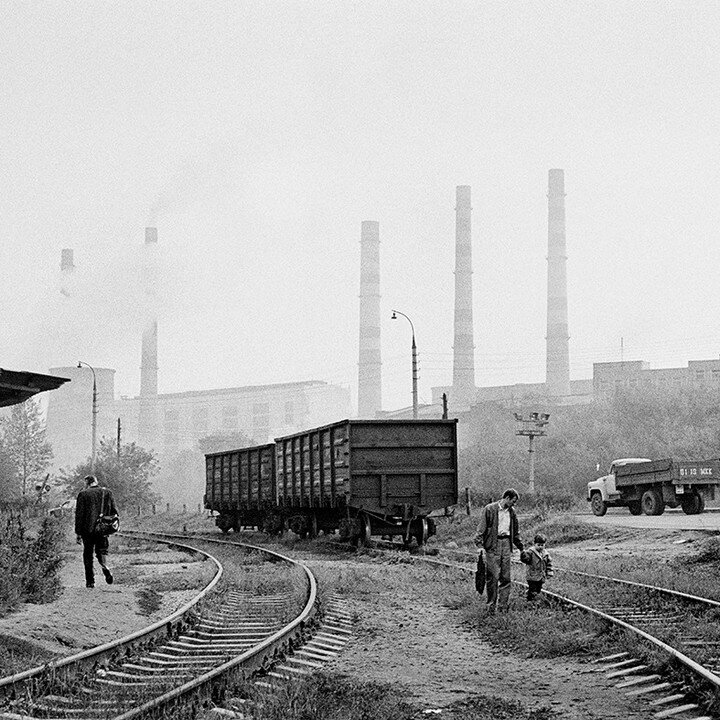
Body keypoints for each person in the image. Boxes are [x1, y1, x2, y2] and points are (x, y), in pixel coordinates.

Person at [473, 488, 524, 611]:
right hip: (492, 544)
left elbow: (515, 531)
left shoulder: (512, 512)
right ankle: (491, 606)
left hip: (506, 543)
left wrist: (521, 547)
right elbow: (481, 528)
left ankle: (503, 606)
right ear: (506, 498)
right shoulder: (489, 509)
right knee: (493, 576)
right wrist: (479, 546)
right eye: (513, 501)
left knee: (506, 577)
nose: (514, 504)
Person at [75, 475, 117, 588]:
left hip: (87, 530)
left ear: (87, 483)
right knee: (101, 551)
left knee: (88, 554)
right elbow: (114, 512)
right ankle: (105, 567)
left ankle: (90, 581)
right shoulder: (107, 493)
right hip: (102, 529)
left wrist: (78, 533)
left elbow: (79, 515)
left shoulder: (83, 494)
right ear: (96, 482)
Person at [520, 533, 554, 601]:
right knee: (533, 589)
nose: (540, 547)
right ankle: (530, 600)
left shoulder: (546, 554)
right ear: (534, 544)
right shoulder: (531, 552)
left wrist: (549, 572)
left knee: (538, 588)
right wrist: (523, 556)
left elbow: (549, 564)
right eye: (538, 545)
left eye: (542, 545)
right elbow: (527, 559)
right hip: (532, 576)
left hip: (541, 576)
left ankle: (534, 598)